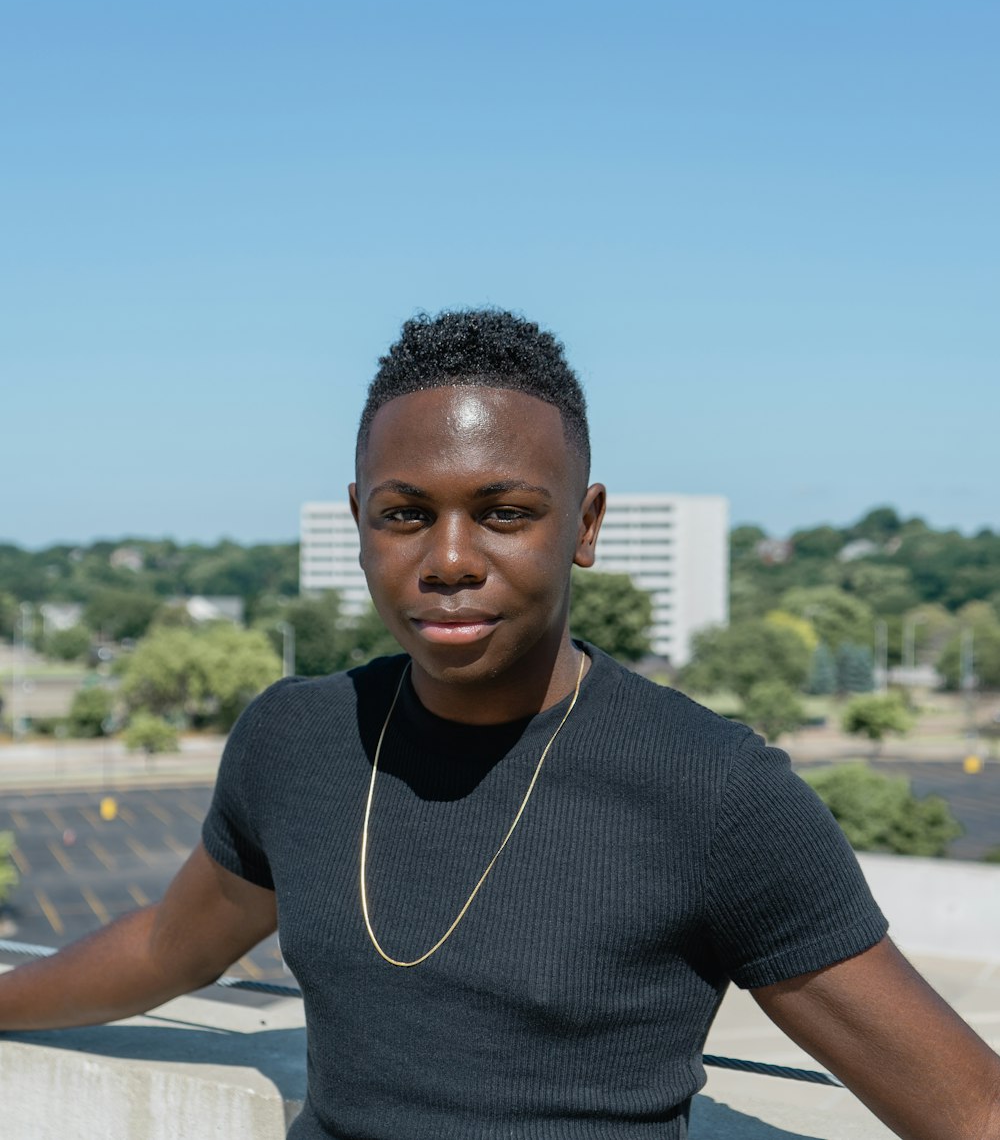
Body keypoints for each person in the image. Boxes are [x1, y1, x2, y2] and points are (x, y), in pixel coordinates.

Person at [1, 309, 998, 1140]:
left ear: (586, 524)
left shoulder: (712, 788)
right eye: (404, 514)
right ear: (358, 521)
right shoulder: (293, 739)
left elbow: (964, 1106)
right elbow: (167, 947)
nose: (448, 557)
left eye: (504, 511)